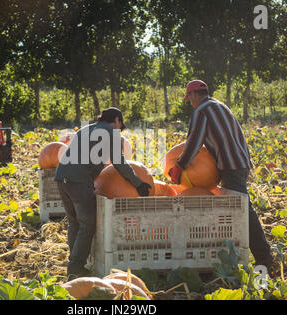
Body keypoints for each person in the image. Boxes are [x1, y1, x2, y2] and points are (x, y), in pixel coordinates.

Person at [169, 80, 273, 269]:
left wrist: (179, 167)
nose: (190, 102)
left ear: (193, 95)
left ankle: (264, 259)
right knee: (237, 209)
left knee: (243, 211)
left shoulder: (201, 111)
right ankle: (241, 254)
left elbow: (193, 143)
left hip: (230, 166)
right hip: (239, 163)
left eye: (189, 98)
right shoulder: (220, 106)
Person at [55, 107, 152, 279]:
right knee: (87, 224)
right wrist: (138, 183)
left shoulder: (86, 129)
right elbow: (119, 162)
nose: (119, 130)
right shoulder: (111, 133)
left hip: (62, 178)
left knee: (74, 223)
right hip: (78, 181)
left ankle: (74, 265)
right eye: (120, 125)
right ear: (116, 120)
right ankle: (75, 269)